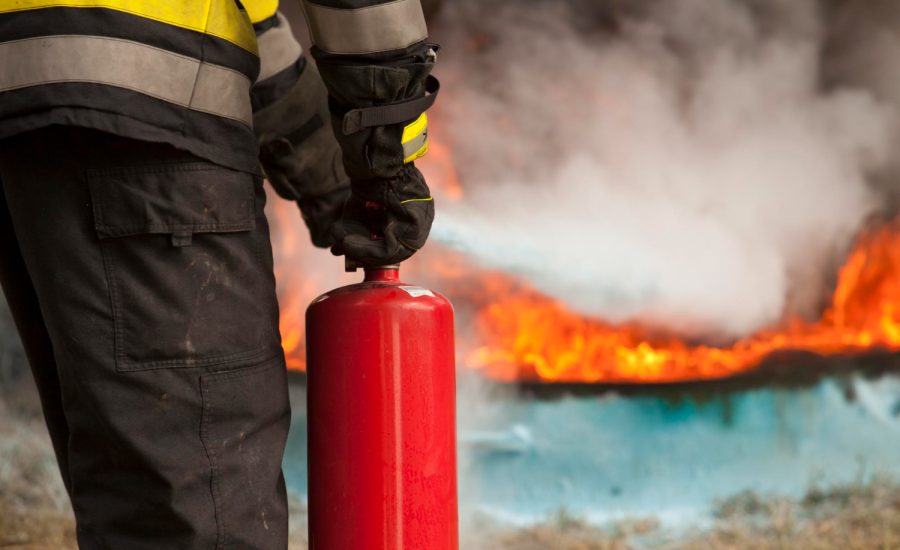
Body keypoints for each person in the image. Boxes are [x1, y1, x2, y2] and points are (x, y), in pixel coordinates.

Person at [0, 0, 438, 547]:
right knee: (204, 507)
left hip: (29, 115)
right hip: (153, 135)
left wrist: (330, 176)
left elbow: (233, 19)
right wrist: (388, 155)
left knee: (138, 495)